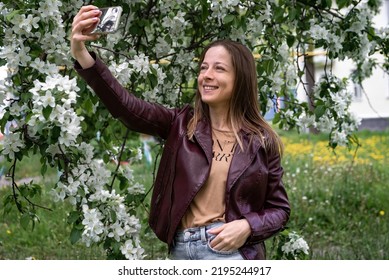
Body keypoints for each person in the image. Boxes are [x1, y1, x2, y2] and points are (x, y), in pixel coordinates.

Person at [70, 5, 290, 260]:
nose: (206, 76)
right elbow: (127, 108)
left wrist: (248, 226)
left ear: (241, 79)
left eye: (219, 69)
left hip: (230, 253)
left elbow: (280, 210)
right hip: (181, 250)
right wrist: (81, 52)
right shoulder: (181, 123)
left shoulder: (262, 141)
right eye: (203, 68)